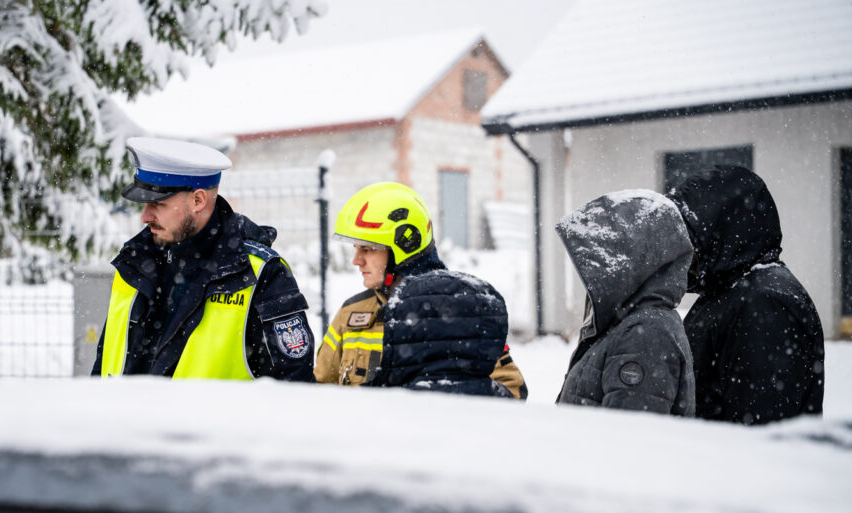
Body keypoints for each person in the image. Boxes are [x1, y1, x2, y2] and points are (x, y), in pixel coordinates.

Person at [92, 137, 315, 381]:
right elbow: (103, 367)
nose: (145, 216)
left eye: (157, 204)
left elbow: (295, 388)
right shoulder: (134, 262)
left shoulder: (262, 274)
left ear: (198, 200)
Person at [314, 182, 526, 398]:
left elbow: (513, 390)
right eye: (356, 249)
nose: (357, 260)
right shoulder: (351, 313)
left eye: (368, 249)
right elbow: (318, 393)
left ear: (404, 247)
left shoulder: (462, 310)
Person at [668, 165, 824, 424]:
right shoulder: (725, 292)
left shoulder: (764, 302)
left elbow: (762, 429)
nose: (679, 248)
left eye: (687, 235)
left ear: (720, 231)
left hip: (727, 453)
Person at [555, 190, 695, 415]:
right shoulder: (624, 323)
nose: (598, 267)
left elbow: (629, 433)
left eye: (606, 254)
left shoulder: (646, 335)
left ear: (634, 260)